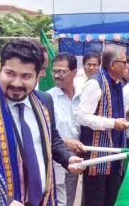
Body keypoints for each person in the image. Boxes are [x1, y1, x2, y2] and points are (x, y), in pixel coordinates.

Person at [0, 39, 84, 206]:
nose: (17, 83)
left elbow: (52, 139)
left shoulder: (44, 100)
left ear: (38, 74)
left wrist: (68, 158)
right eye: (10, 73)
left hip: (44, 198)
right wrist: (5, 199)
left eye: (26, 76)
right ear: (0, 68)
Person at [75, 44, 129, 206]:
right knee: (95, 200)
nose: (127, 65)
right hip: (97, 155)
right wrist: (112, 123)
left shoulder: (119, 82)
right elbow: (81, 116)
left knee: (112, 198)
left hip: (114, 154)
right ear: (113, 64)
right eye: (124, 62)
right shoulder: (95, 84)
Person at [47, 52, 85, 206]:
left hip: (76, 158)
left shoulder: (83, 95)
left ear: (74, 72)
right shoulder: (48, 98)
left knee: (69, 198)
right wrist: (65, 142)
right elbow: (46, 132)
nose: (57, 76)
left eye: (61, 72)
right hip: (57, 160)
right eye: (54, 71)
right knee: (59, 200)